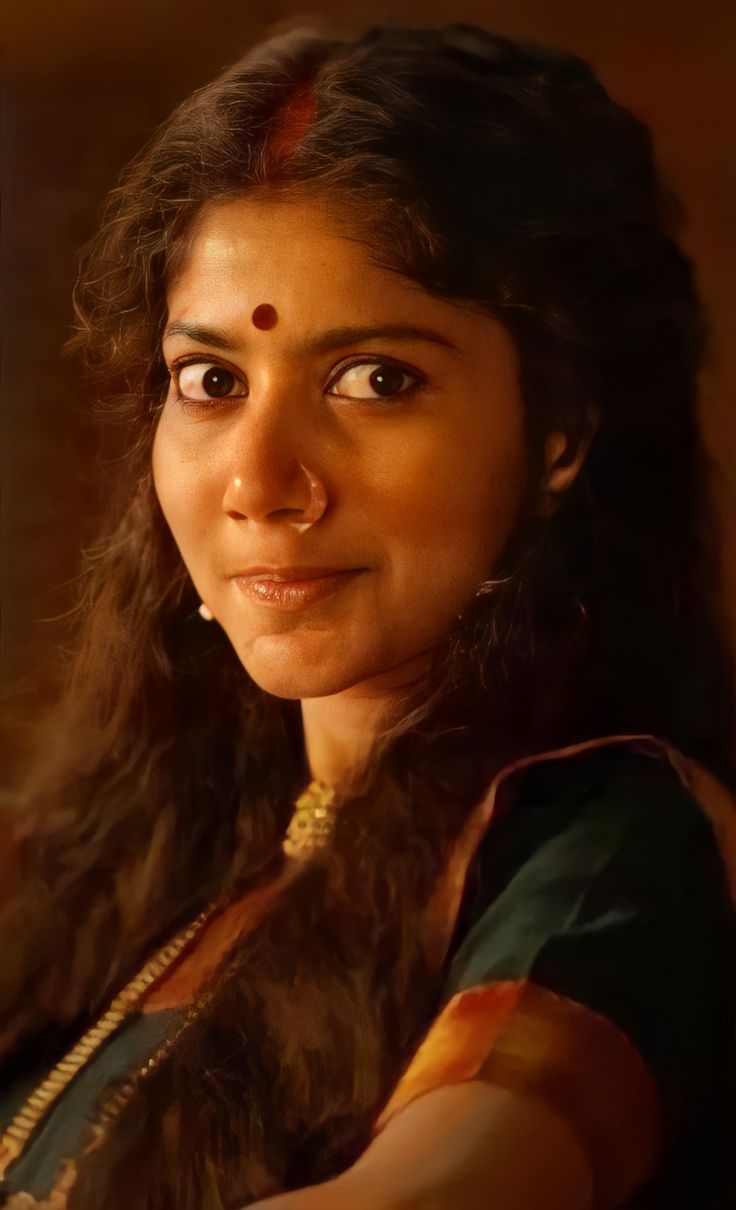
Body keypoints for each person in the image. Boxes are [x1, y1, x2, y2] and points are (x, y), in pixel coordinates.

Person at [0, 21, 734, 1210]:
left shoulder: (607, 855)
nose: (259, 480)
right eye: (211, 381)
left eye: (376, 380)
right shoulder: (123, 859)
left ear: (560, 434)